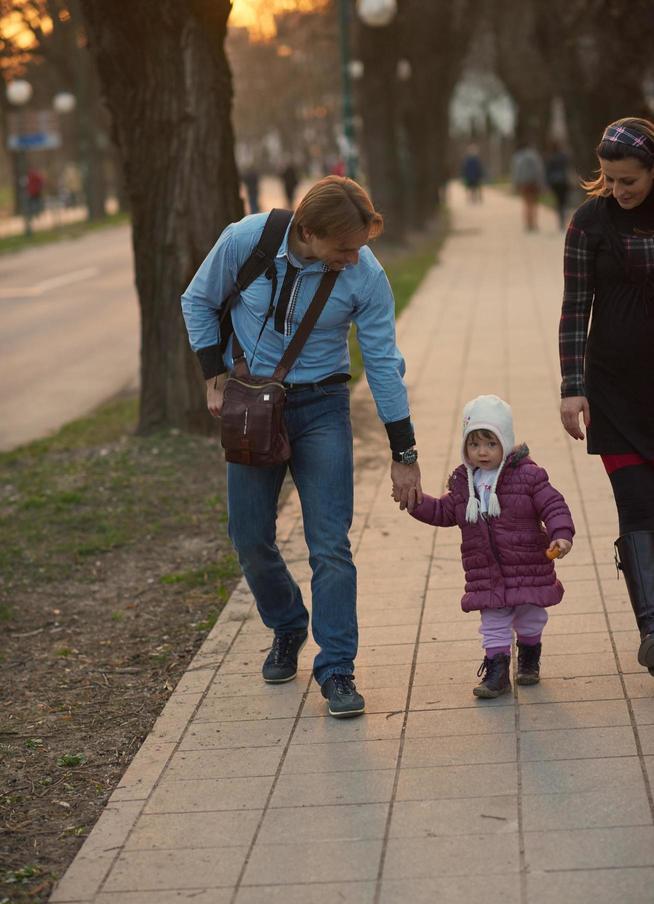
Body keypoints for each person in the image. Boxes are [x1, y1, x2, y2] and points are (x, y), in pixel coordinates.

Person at [181, 176, 422, 717]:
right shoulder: (249, 241)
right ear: (308, 232)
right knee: (247, 537)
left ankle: (337, 669)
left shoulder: (366, 275)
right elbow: (196, 300)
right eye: (344, 248)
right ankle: (288, 624)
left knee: (330, 545)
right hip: (252, 406)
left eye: (360, 246)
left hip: (323, 408)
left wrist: (403, 452)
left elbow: (383, 363)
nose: (354, 257)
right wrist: (211, 374)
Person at [558, 116, 654, 676]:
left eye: (629, 182)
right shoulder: (589, 223)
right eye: (610, 179)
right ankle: (651, 627)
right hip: (613, 390)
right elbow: (575, 309)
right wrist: (573, 388)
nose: (617, 191)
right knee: (636, 507)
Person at [404, 394, 574, 698]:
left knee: (530, 618)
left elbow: (553, 505)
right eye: (474, 444)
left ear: (505, 443)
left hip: (528, 565)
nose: (482, 452)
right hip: (486, 572)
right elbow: (445, 512)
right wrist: (416, 503)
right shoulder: (463, 482)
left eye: (490, 443)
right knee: (493, 621)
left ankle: (529, 657)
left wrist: (561, 533)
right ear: (465, 446)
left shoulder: (529, 476)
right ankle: (496, 671)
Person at [511, 140, 545, 231]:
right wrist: (541, 183)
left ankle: (528, 224)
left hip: (523, 183)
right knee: (534, 203)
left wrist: (515, 184)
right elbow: (539, 170)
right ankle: (534, 223)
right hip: (533, 182)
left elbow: (516, 172)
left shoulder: (518, 157)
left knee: (526, 203)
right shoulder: (535, 156)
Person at [545, 142, 571, 230]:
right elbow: (568, 168)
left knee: (558, 202)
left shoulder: (550, 158)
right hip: (564, 181)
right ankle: (564, 218)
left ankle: (560, 221)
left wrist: (547, 184)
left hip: (554, 182)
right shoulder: (564, 156)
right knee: (564, 201)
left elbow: (547, 172)